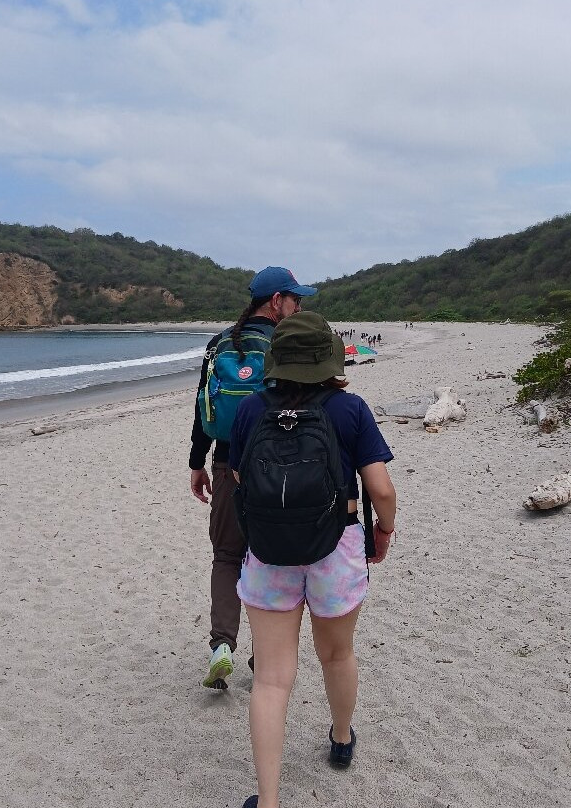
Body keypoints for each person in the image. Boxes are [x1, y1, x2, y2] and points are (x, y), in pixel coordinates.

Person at [229, 312, 397, 808]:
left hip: (268, 554)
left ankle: (269, 800)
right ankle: (342, 738)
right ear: (330, 358)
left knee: (272, 678)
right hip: (337, 547)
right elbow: (381, 490)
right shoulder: (351, 410)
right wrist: (382, 531)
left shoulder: (250, 411)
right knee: (338, 654)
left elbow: (241, 482)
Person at [190, 266, 318, 689]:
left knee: (227, 557)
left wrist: (197, 463)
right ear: (276, 301)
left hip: (226, 464)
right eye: (295, 299)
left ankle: (221, 645)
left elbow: (201, 406)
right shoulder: (285, 343)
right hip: (275, 468)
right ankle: (262, 656)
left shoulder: (220, 342)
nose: (299, 307)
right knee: (271, 559)